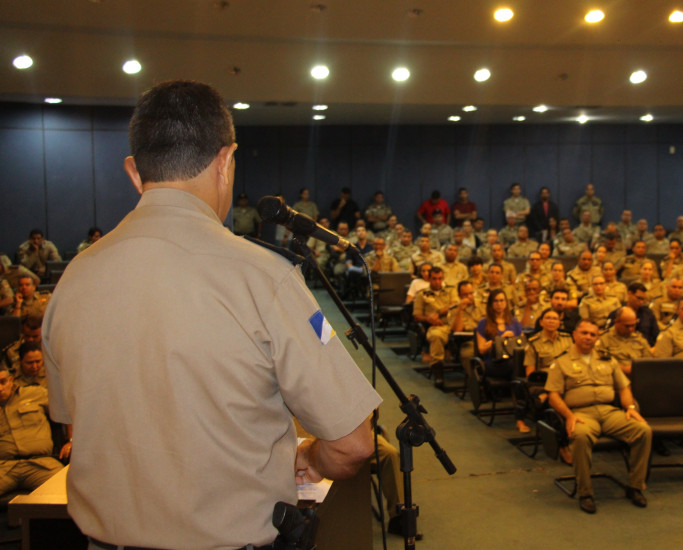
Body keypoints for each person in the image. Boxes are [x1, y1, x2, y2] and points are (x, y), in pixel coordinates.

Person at [42, 80, 381, 550]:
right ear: (226, 162)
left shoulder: (71, 281)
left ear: (134, 173)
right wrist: (312, 459)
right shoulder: (264, 277)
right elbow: (353, 445)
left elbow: (79, 426)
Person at [545, 321, 652, 513]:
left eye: (593, 335)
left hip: (608, 411)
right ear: (574, 336)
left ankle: (635, 487)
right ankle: (585, 493)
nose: (588, 337)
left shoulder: (607, 360)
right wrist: (568, 416)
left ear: (597, 338)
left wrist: (629, 407)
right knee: (581, 436)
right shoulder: (561, 362)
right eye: (584, 333)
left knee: (643, 430)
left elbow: (623, 387)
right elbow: (553, 395)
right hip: (581, 414)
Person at [0, 364, 68, 498]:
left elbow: (66, 412)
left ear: (11, 381)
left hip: (40, 463)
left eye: (2, 382)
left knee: (66, 492)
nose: (0, 388)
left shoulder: (36, 394)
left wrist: (71, 440)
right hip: (4, 467)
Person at [413, 267, 458, 385]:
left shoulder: (451, 290)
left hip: (455, 324)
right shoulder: (422, 294)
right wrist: (429, 319)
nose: (437, 281)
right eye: (434, 279)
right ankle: (439, 375)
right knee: (436, 336)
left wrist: (438, 312)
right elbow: (417, 315)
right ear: (429, 279)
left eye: (440, 279)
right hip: (437, 326)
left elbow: (455, 304)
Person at [475, 289, 524, 381]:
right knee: (515, 364)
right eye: (495, 301)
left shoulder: (514, 323)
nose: (499, 304)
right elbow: (481, 349)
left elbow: (523, 345)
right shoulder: (484, 323)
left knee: (523, 362)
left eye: (502, 300)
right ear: (491, 304)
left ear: (506, 303)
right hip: (494, 362)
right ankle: (516, 392)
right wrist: (500, 340)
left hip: (513, 358)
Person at [597, 307, 653, 375]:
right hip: (616, 378)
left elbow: (649, 362)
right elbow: (600, 365)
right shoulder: (604, 339)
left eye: (633, 325)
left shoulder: (639, 339)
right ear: (616, 322)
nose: (630, 329)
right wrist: (623, 369)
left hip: (640, 377)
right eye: (627, 326)